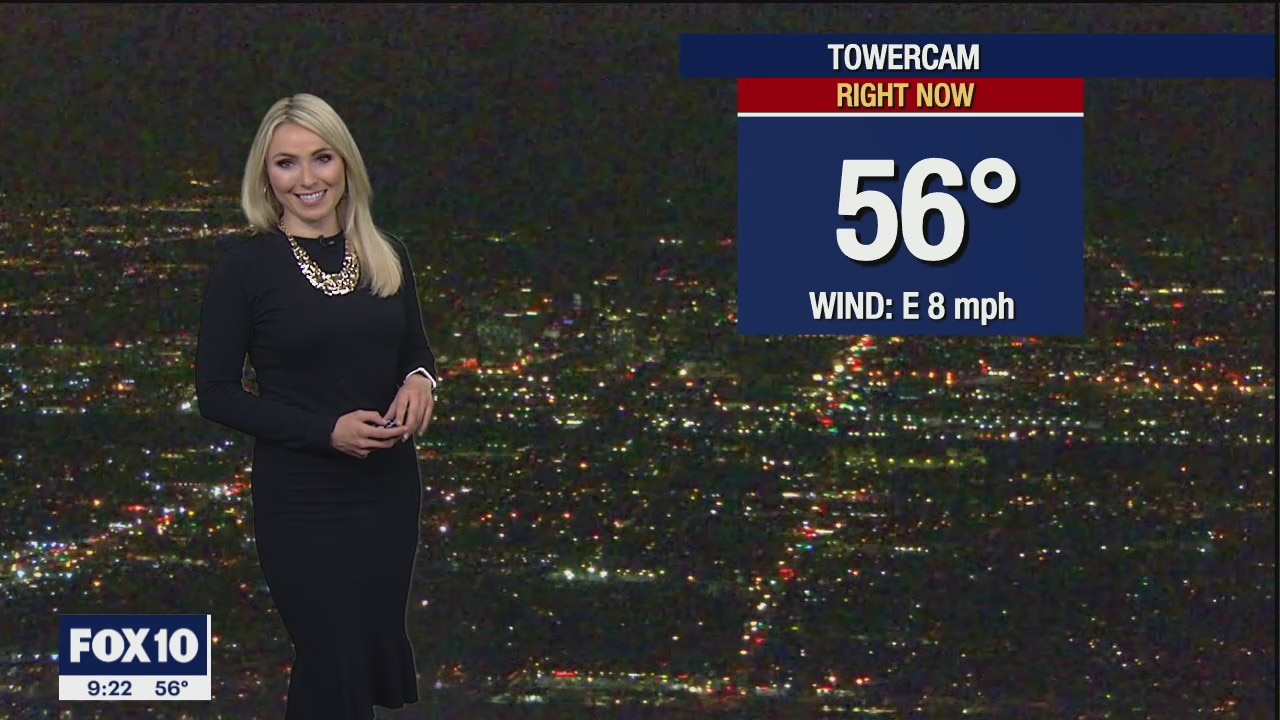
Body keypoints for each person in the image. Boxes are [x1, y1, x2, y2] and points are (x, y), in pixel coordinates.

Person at [195, 93, 440, 720]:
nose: (307, 178)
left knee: (363, 657)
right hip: (302, 495)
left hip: (387, 491)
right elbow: (215, 392)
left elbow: (414, 350)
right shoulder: (245, 268)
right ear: (266, 176)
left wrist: (421, 381)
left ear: (345, 164)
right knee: (332, 659)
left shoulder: (387, 254)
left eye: (321, 158)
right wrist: (324, 432)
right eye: (287, 163)